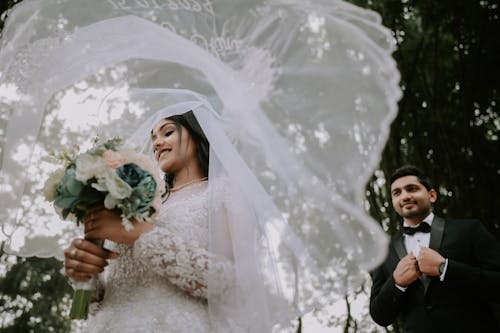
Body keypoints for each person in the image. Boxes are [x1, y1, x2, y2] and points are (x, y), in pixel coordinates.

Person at [64, 111, 233, 332]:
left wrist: (143, 235)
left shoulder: (222, 191)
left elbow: (231, 283)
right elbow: (99, 299)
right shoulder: (136, 201)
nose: (157, 143)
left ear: (198, 134)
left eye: (168, 132)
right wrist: (85, 271)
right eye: (153, 137)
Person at [369, 165, 500, 332]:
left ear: (431, 195)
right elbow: (379, 315)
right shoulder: (382, 253)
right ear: (393, 202)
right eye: (397, 193)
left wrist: (445, 268)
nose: (405, 196)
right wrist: (397, 282)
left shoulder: (469, 230)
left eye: (412, 189)